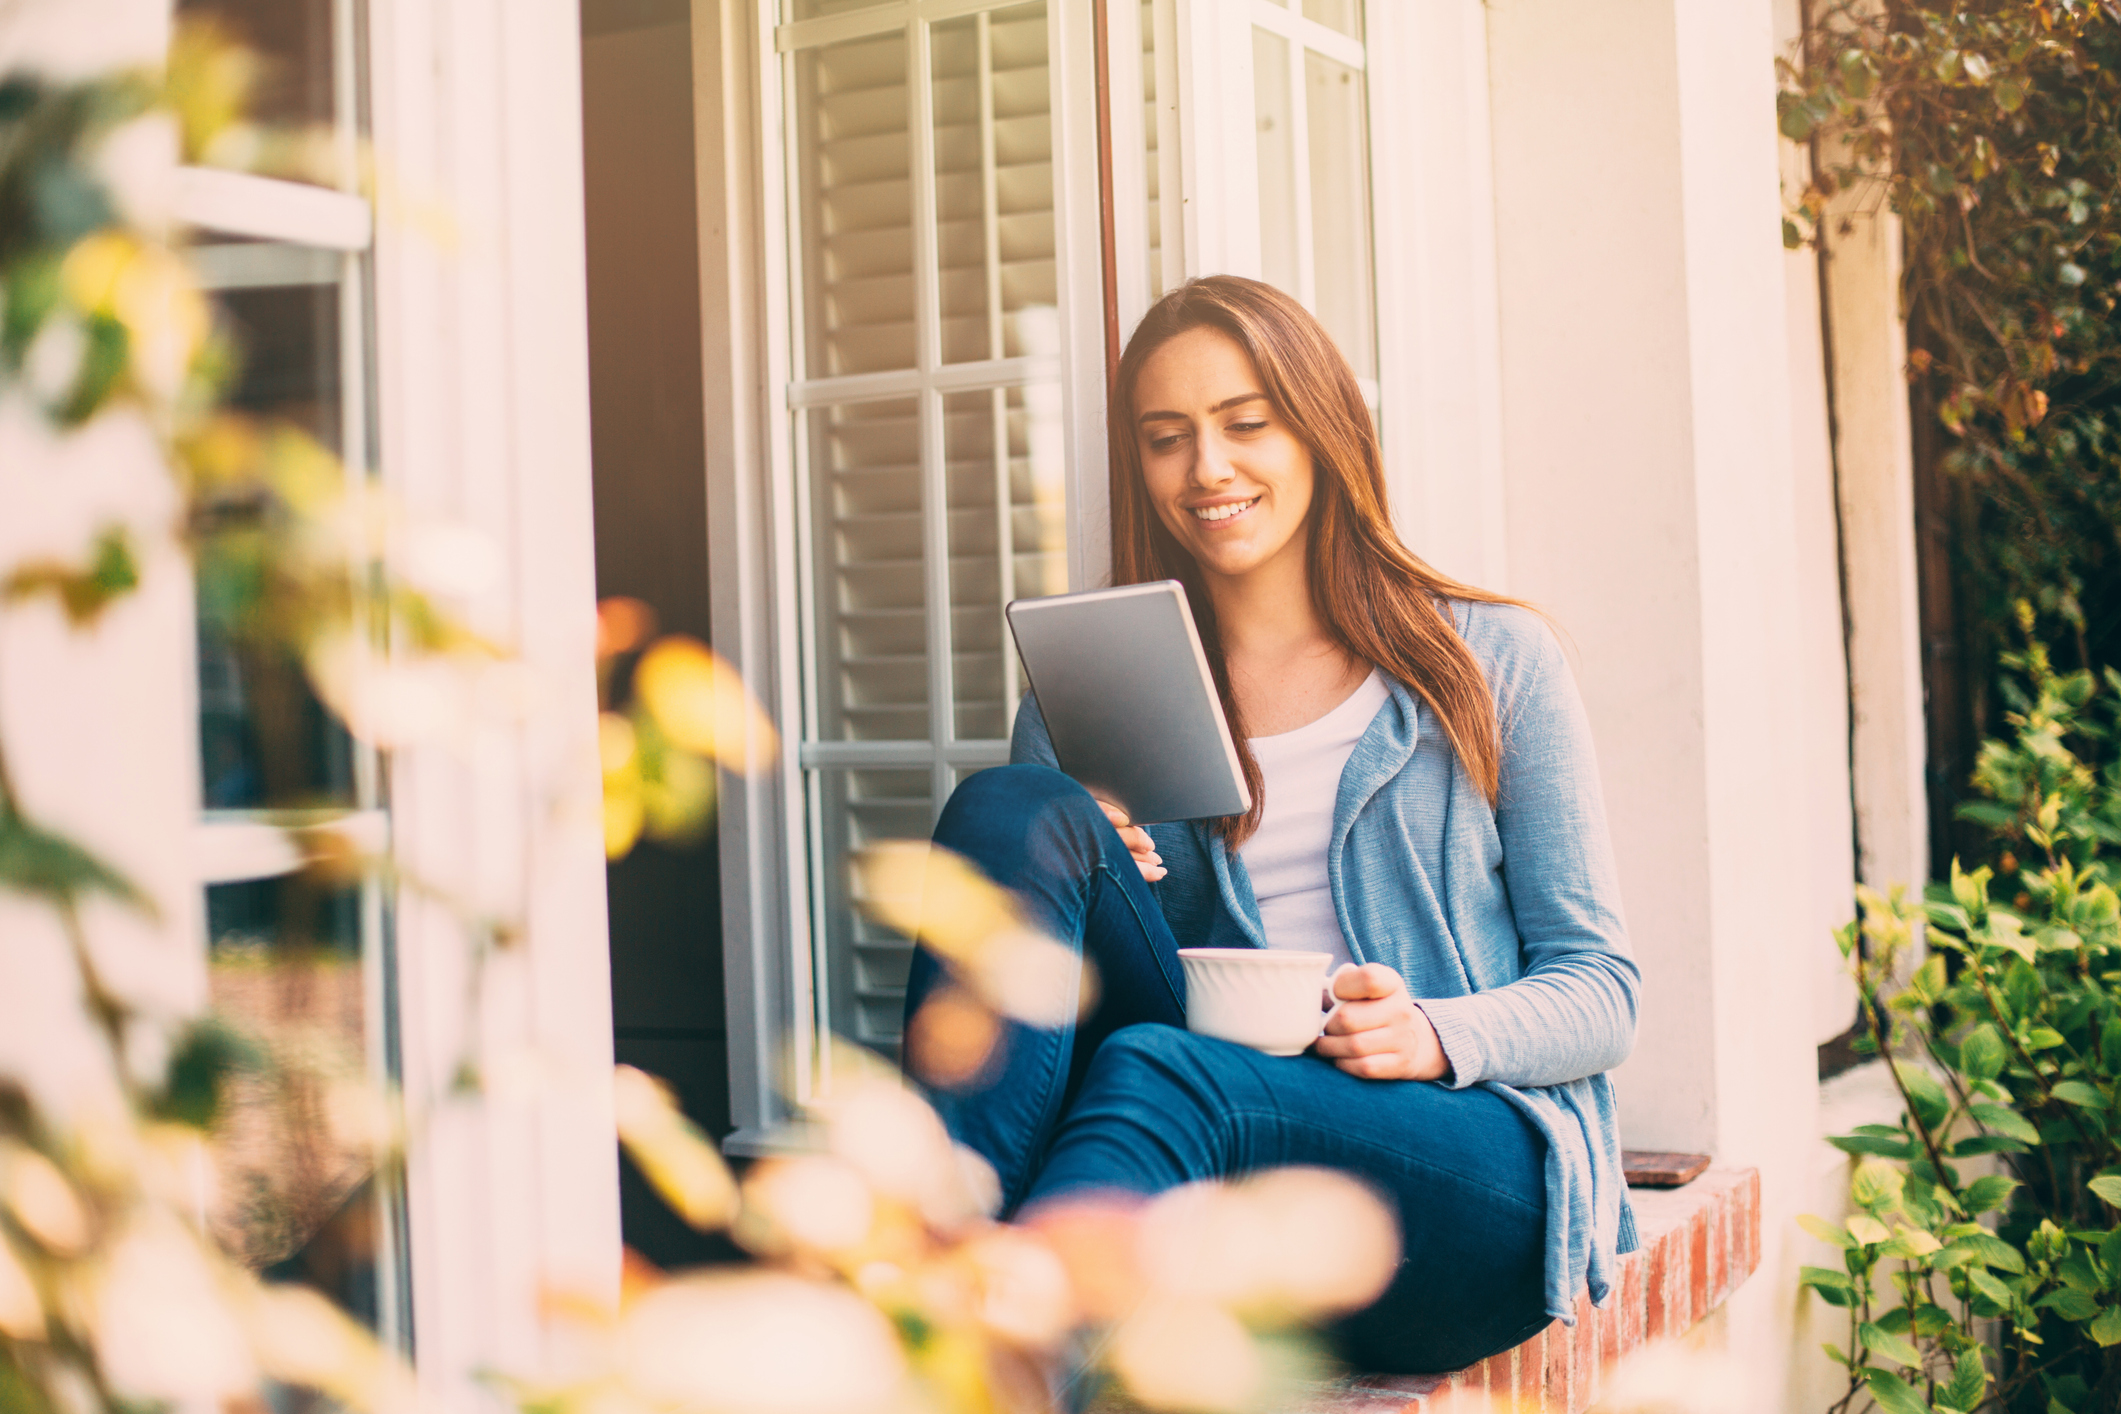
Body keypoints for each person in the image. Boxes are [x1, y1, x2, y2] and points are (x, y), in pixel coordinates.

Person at [901, 275, 1639, 1374]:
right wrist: (1108, 870)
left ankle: (983, 1367)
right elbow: (1042, 1042)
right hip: (1205, 1160)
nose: (1208, 469)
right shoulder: (1089, 703)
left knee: (1165, 1067)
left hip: (1459, 1184)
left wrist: (1437, 1032)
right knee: (1017, 809)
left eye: (1247, 423)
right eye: (1167, 438)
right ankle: (937, 1264)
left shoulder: (1489, 664)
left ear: (1323, 428)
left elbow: (1601, 988)